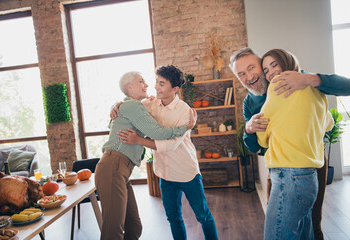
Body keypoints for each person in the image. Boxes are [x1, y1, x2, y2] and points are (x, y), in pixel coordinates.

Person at [229, 47, 350, 240]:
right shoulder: (250, 103)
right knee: (288, 224)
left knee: (311, 221)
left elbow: (347, 86)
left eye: (252, 68)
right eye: (241, 74)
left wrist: (310, 79)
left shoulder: (298, 79)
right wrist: (249, 129)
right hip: (279, 166)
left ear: (261, 65)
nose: (249, 76)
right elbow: (254, 147)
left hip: (312, 161)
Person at [112, 65, 219, 240]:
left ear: (175, 89)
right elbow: (129, 105)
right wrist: (115, 106)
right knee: (173, 218)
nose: (155, 87)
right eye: (156, 82)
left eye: (161, 84)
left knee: (203, 216)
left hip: (187, 173)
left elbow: (171, 145)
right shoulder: (151, 104)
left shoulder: (185, 112)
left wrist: (139, 141)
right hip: (165, 174)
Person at [95, 71, 197, 240]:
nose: (147, 84)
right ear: (129, 87)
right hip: (113, 165)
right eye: (141, 81)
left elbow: (116, 122)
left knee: (134, 226)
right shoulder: (132, 106)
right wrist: (186, 127)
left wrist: (114, 106)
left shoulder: (132, 106)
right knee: (113, 231)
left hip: (120, 170)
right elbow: (156, 131)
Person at [257, 48, 333, 239]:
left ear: (287, 61)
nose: (271, 72)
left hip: (288, 179)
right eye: (266, 70)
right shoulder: (316, 90)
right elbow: (328, 124)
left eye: (274, 64)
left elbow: (262, 135)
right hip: (309, 179)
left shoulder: (277, 87)